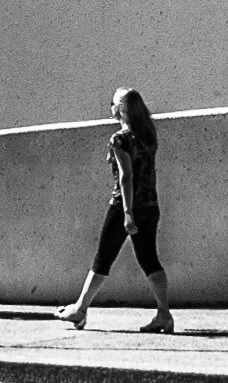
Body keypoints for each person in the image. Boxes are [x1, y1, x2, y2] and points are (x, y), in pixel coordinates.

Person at [55, 86, 173, 334]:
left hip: (124, 206)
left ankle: (80, 309)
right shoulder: (148, 135)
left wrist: (128, 213)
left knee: (103, 258)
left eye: (112, 103)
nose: (109, 107)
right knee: (149, 260)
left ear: (120, 109)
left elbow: (126, 176)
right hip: (151, 205)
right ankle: (164, 314)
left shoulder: (119, 139)